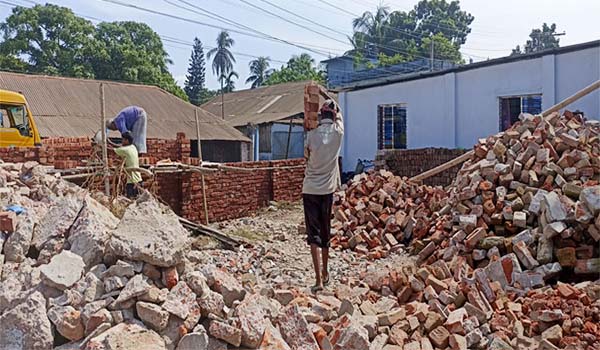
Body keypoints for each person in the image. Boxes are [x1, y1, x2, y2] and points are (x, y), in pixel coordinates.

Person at [303, 99, 344, 292]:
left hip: (310, 189)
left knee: (314, 236)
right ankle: (326, 272)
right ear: (334, 116)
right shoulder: (338, 134)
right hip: (327, 191)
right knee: (326, 233)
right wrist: (330, 99)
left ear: (321, 116)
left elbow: (306, 156)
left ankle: (318, 279)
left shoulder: (310, 136)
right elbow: (340, 117)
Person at [114, 133, 143, 199]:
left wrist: (102, 144)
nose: (122, 141)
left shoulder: (125, 150)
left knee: (131, 200)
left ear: (127, 140)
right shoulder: (133, 147)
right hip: (139, 180)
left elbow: (111, 150)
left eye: (123, 140)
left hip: (132, 182)